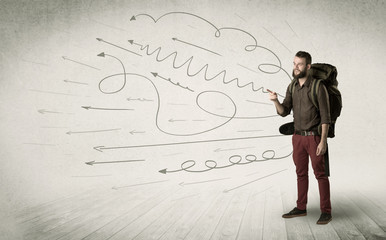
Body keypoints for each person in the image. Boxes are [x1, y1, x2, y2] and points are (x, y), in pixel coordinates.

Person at [268, 51, 332, 224]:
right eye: (294, 63)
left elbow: (326, 117)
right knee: (300, 173)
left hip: (314, 138)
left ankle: (326, 211)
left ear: (308, 66)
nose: (296, 67)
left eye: (300, 64)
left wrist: (323, 141)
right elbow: (284, 112)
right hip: (297, 138)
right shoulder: (292, 86)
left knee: (320, 175)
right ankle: (301, 207)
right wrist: (275, 101)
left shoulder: (318, 87)